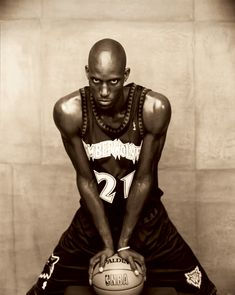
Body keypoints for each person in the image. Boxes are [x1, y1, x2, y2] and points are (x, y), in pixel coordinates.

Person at [26, 38, 217, 295]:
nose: (104, 91)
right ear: (87, 73)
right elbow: (85, 180)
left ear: (126, 75)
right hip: (92, 222)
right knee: (41, 291)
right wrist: (107, 242)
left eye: (113, 81)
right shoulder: (69, 111)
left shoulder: (153, 108)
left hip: (148, 223)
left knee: (204, 291)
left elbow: (143, 178)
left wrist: (124, 244)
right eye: (96, 81)